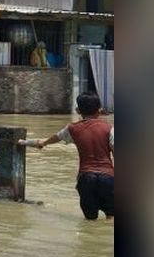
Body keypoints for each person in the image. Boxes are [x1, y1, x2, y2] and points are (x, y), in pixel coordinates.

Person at [34, 92, 114, 220]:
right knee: (111, 217)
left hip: (86, 178)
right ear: (99, 110)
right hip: (108, 178)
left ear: (77, 110)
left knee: (90, 220)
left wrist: (44, 143)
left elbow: (57, 137)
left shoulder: (72, 129)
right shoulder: (109, 128)